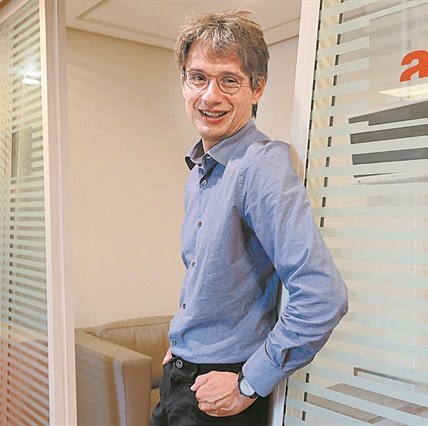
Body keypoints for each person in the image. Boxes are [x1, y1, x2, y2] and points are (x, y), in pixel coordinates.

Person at [150, 10, 349, 426]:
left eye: (229, 80)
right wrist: (182, 340)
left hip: (220, 390)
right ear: (183, 83)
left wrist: (247, 383)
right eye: (198, 78)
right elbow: (207, 277)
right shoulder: (200, 172)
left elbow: (322, 296)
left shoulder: (261, 166)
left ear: (257, 88)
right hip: (181, 375)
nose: (210, 96)